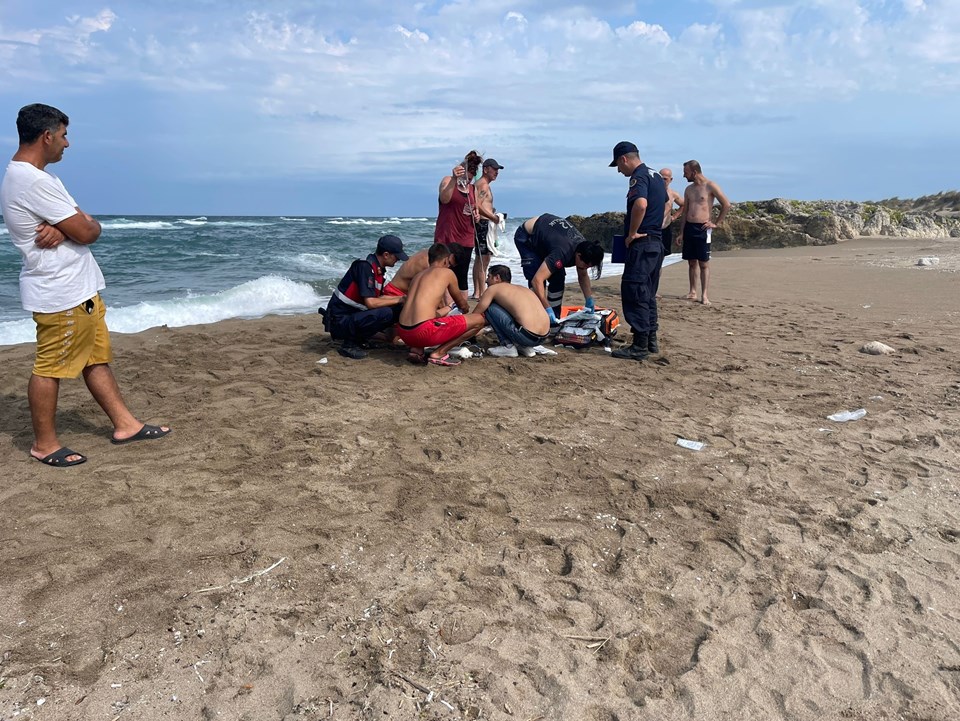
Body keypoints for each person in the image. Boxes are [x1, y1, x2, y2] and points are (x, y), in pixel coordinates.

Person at [0, 103, 170, 467]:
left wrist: (66, 227)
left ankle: (126, 425)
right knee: (50, 367)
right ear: (47, 136)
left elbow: (83, 225)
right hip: (59, 291)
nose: (67, 143)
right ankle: (44, 444)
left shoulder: (37, 178)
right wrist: (73, 227)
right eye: (63, 135)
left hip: (77, 288)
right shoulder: (32, 181)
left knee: (96, 359)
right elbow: (89, 230)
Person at [608, 141, 667, 361]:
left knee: (635, 292)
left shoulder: (639, 177)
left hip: (642, 244)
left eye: (618, 165)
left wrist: (632, 233)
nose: (619, 171)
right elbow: (666, 205)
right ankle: (651, 340)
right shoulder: (657, 177)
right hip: (657, 243)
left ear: (624, 159)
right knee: (649, 294)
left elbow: (640, 204)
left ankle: (640, 345)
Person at [395, 244, 486, 367]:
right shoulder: (447, 273)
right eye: (449, 263)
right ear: (445, 259)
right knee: (479, 320)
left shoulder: (418, 276)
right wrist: (463, 310)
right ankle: (439, 353)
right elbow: (462, 305)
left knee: (428, 320)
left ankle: (416, 350)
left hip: (404, 333)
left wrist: (448, 308)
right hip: (422, 333)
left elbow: (424, 313)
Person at [323, 234, 408, 359]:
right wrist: (399, 299)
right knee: (385, 313)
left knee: (396, 309)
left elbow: (378, 299)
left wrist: (405, 299)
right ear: (386, 255)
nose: (398, 260)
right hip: (340, 322)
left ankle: (359, 340)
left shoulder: (377, 269)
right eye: (396, 256)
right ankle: (349, 345)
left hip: (351, 317)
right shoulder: (365, 267)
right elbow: (371, 303)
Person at [513, 213, 605, 324]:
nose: (584, 268)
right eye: (585, 265)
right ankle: (536, 321)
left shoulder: (585, 248)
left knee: (558, 279)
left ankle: (554, 322)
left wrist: (589, 299)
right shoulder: (562, 253)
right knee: (535, 279)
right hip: (527, 236)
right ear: (578, 255)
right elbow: (537, 280)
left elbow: (583, 274)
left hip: (548, 239)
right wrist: (546, 307)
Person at [679, 159, 730, 305]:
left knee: (703, 263)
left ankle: (705, 295)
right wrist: (681, 232)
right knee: (691, 262)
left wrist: (716, 223)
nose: (684, 176)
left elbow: (726, 204)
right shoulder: (689, 189)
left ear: (694, 172)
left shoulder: (710, 186)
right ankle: (692, 292)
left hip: (703, 228)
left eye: (686, 172)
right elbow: (685, 211)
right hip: (689, 227)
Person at [473, 265, 550, 358]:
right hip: (543, 337)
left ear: (497, 277)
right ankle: (525, 347)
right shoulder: (523, 289)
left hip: (526, 336)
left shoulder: (493, 289)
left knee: (489, 307)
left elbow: (475, 315)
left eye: (488, 277)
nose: (486, 281)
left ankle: (508, 346)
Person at [434, 150, 482, 296]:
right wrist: (455, 179)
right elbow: (444, 199)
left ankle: (460, 311)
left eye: (470, 179)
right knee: (442, 274)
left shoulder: (473, 189)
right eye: (465, 178)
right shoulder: (448, 180)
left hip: (466, 238)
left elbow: (476, 209)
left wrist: (477, 215)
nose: (466, 182)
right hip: (447, 236)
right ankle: (443, 307)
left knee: (461, 276)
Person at [384, 243, 470, 303]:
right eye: (449, 263)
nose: (447, 267)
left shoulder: (431, 255)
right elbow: (437, 296)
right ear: (446, 255)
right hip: (394, 294)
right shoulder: (427, 263)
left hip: (404, 295)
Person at [471, 158, 505, 299]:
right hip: (483, 225)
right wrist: (493, 217)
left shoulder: (481, 184)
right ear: (485, 169)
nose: (496, 172)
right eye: (494, 169)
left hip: (483, 224)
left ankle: (477, 292)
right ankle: (482, 293)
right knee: (483, 259)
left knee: (480, 259)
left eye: (498, 170)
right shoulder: (483, 185)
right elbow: (477, 205)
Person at [659, 167, 684, 259]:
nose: (663, 181)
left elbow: (684, 205)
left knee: (662, 256)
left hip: (665, 228)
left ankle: (657, 273)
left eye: (665, 179)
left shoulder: (673, 194)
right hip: (653, 228)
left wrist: (674, 216)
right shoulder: (652, 191)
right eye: (661, 178)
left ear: (670, 179)